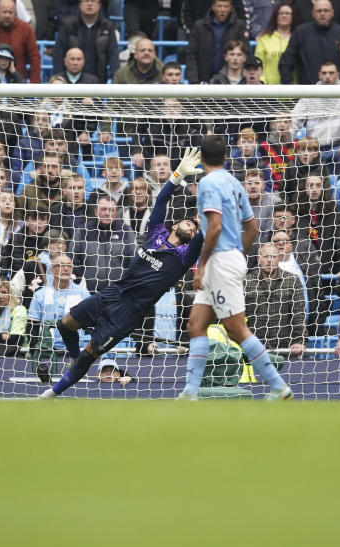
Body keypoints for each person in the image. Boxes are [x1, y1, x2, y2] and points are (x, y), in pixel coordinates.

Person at [40, 150, 205, 398]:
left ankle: (50, 395)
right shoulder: (155, 234)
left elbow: (207, 229)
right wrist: (177, 174)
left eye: (193, 229)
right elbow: (160, 201)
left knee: (90, 354)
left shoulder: (184, 257)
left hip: (128, 314)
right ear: (174, 225)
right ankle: (72, 361)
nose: (191, 227)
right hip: (112, 293)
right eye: (189, 223)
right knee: (66, 325)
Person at [179, 136, 292, 400]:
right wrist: (237, 256)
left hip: (218, 261)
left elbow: (215, 227)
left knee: (236, 330)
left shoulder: (207, 183)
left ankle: (278, 386)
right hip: (230, 258)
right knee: (195, 325)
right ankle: (190, 392)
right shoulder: (234, 183)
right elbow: (252, 227)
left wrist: (203, 265)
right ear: (227, 157)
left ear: (201, 159)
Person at [244, 242, 307, 357]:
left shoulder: (292, 280)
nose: (269, 260)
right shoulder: (246, 282)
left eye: (273, 257)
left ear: (279, 259)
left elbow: (298, 314)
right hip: (252, 349)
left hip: (284, 349)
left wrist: (299, 341)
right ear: (258, 259)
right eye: (266, 256)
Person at [50, 0, 120, 83]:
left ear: (99, 6)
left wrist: (115, 77)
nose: (89, 4)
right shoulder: (68, 25)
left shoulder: (107, 26)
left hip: (98, 80)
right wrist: (58, 78)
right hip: (70, 81)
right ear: (80, 5)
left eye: (93, 1)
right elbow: (59, 53)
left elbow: (113, 54)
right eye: (86, 1)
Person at [279, 0, 340, 85]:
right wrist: (291, 88)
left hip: (339, 93)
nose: (322, 14)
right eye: (319, 11)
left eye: (326, 11)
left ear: (332, 13)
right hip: (308, 92)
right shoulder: (301, 33)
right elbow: (285, 63)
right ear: (313, 13)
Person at [185, 0, 247, 84]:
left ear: (230, 8)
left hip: (229, 81)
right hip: (203, 80)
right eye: (219, 6)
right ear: (213, 7)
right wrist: (194, 80)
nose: (222, 10)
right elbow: (191, 55)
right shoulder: (199, 26)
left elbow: (244, 53)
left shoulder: (239, 26)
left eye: (225, 6)